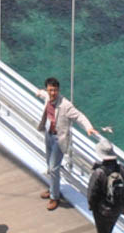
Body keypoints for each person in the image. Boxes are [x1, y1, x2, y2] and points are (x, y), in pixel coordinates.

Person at [37, 76, 96, 208]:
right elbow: (43, 95)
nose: (53, 93)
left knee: (53, 168)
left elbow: (79, 116)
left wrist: (88, 127)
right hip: (48, 135)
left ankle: (54, 197)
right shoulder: (47, 96)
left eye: (55, 90)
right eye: (50, 90)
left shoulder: (65, 105)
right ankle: (53, 189)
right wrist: (39, 92)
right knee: (49, 166)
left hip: (59, 140)